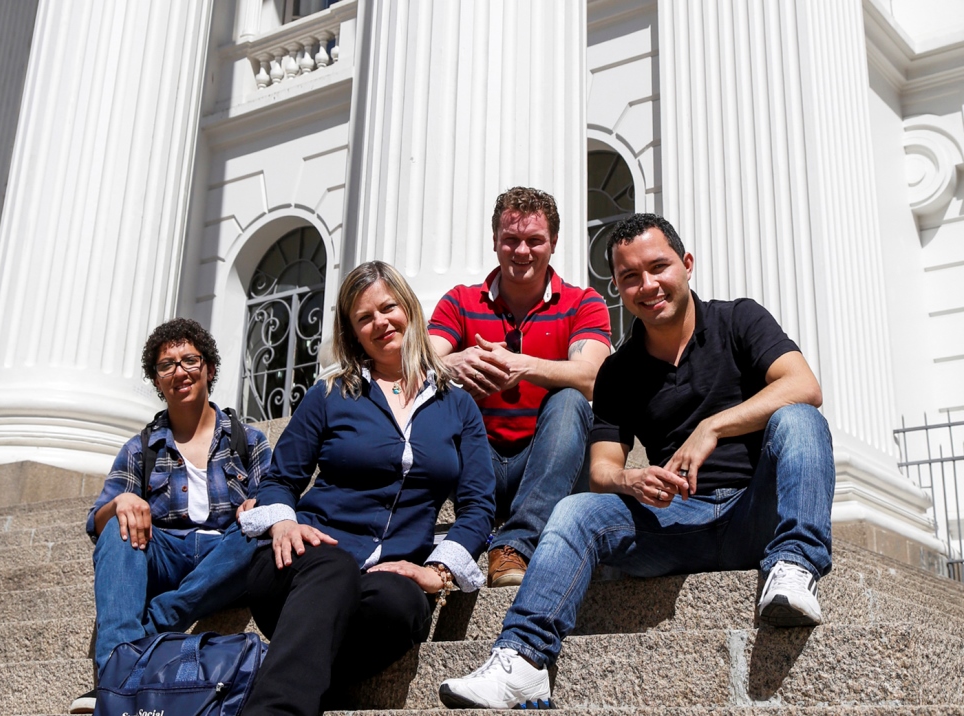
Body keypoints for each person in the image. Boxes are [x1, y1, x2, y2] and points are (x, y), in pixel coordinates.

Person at [439, 213, 836, 709]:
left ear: (686, 265)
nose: (647, 285)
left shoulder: (739, 319)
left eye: (658, 267)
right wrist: (629, 479)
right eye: (630, 277)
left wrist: (712, 427)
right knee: (575, 511)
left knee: (798, 417)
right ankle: (523, 662)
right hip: (675, 519)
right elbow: (603, 468)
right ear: (618, 288)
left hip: (752, 512)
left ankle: (795, 564)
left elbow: (805, 385)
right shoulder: (619, 370)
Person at [237, 261, 496, 716]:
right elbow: (281, 478)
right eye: (364, 318)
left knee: (402, 604)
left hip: (383, 577)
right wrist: (281, 524)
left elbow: (477, 507)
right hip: (300, 566)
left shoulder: (458, 406)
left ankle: (305, 679)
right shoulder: (330, 394)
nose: (380, 323)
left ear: (410, 309)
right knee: (334, 568)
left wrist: (439, 571)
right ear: (352, 332)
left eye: (388, 308)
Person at [70, 318, 271, 714]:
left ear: (209, 369)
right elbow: (96, 522)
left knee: (262, 526)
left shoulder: (248, 439)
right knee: (117, 530)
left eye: (189, 360)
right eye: (167, 365)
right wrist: (120, 504)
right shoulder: (140, 447)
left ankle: (157, 621)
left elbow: (277, 495)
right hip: (165, 553)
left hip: (225, 556)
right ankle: (116, 673)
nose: (179, 371)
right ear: (157, 380)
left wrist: (259, 505)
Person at [428, 187, 612, 587]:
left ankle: (516, 544)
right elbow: (415, 363)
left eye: (534, 240)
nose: (522, 251)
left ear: (554, 244)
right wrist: (453, 362)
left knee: (570, 401)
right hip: (481, 464)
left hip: (550, 462)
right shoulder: (459, 303)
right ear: (495, 241)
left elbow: (593, 377)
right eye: (511, 240)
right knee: (445, 395)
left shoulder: (584, 302)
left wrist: (522, 366)